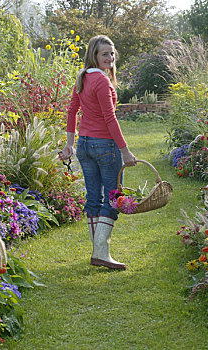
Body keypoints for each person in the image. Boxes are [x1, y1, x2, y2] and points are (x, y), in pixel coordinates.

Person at [59, 35, 136, 270]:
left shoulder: (82, 78)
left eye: (112, 53)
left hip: (84, 145)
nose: (110, 58)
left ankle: (98, 252)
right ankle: (101, 252)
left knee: (94, 198)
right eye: (105, 54)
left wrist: (71, 144)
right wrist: (125, 151)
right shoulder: (101, 81)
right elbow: (109, 118)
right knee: (113, 197)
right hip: (104, 146)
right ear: (94, 55)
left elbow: (72, 111)